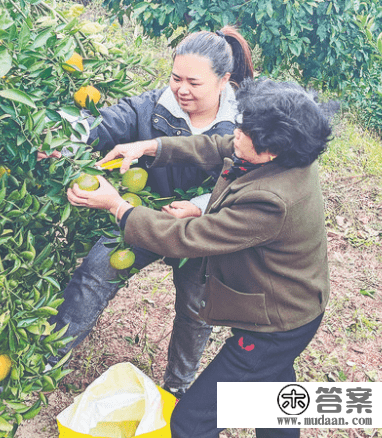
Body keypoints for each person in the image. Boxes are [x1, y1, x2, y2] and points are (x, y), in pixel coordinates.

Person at [0, 27, 255, 401]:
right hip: (143, 215)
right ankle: (41, 363)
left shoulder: (245, 127)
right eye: (176, 78)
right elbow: (108, 121)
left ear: (224, 80)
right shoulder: (153, 108)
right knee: (95, 274)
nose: (182, 89)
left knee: (196, 310)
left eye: (194, 82)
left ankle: (177, 389)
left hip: (204, 231)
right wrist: (62, 139)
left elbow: (248, 185)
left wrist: (199, 206)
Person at [66, 78, 333, 438]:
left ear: (272, 150)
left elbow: (189, 238)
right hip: (295, 308)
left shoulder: (272, 200)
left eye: (245, 130)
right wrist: (148, 146)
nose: (234, 132)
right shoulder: (287, 154)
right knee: (274, 399)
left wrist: (119, 207)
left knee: (191, 423)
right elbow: (213, 146)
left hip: (276, 324)